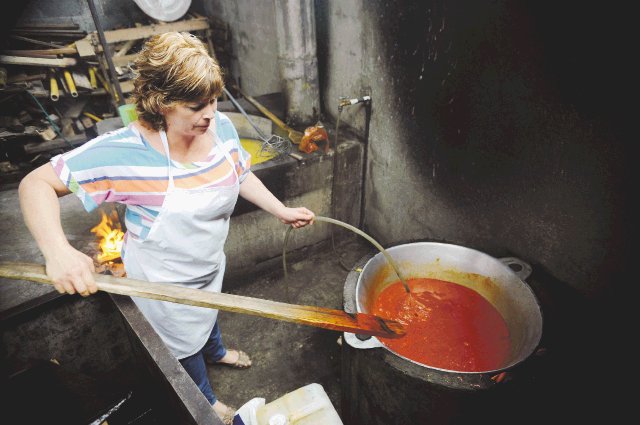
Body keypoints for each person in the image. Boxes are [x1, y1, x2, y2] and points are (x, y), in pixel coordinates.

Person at [18, 32, 315, 424]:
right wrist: (57, 252)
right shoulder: (125, 153)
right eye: (196, 106)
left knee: (209, 312)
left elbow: (239, 172)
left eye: (212, 99)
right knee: (182, 346)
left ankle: (217, 351)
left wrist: (281, 209)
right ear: (162, 103)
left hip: (208, 261)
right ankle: (205, 398)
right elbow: (34, 184)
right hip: (164, 283)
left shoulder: (218, 125)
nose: (209, 113)